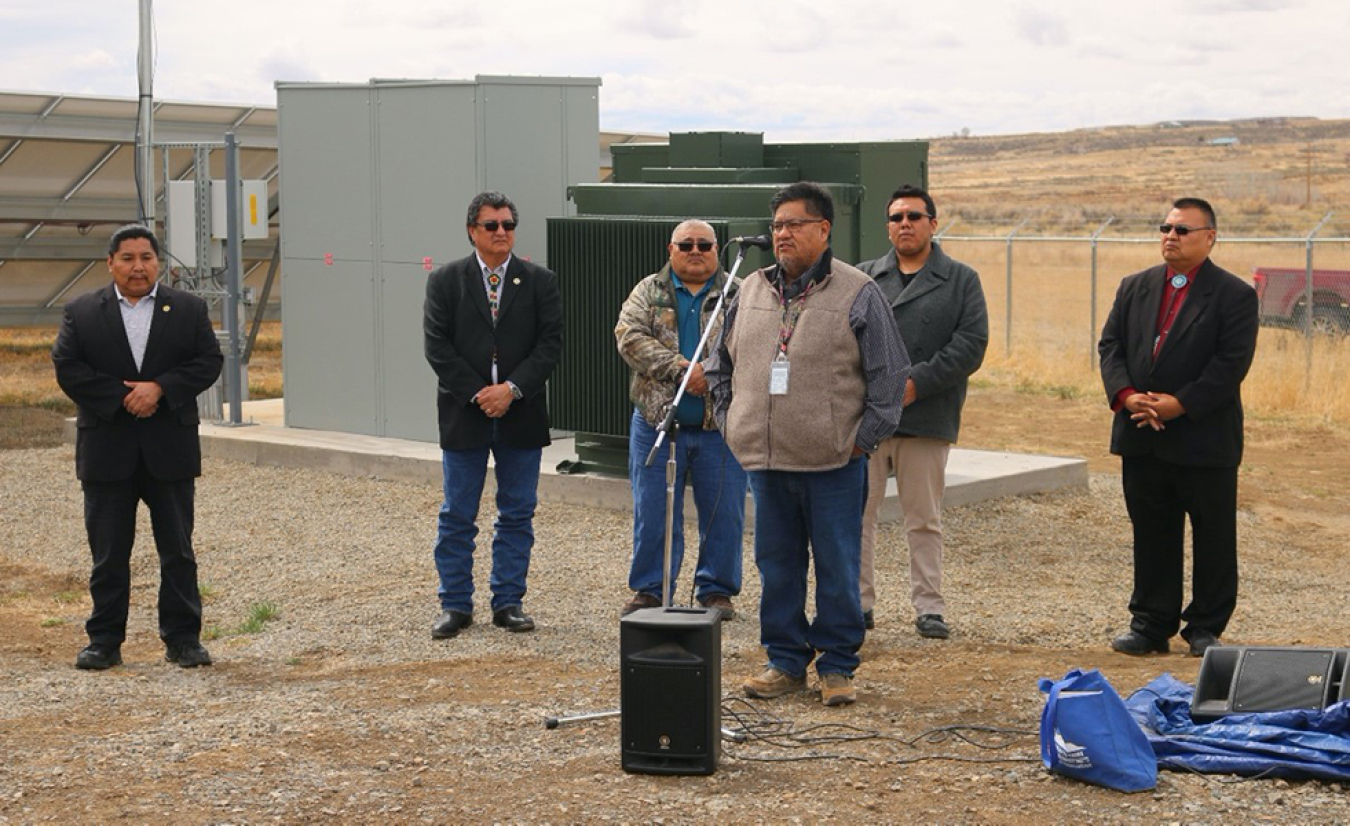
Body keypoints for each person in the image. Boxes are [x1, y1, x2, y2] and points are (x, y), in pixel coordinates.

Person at [707, 182, 909, 706]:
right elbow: (717, 366)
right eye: (776, 225)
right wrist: (733, 424)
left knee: (838, 566)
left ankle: (838, 666)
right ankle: (785, 661)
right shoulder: (748, 289)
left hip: (834, 463)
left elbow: (889, 379)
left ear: (824, 229)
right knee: (777, 566)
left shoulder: (859, 291)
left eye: (794, 224)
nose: (782, 234)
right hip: (766, 462)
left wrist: (858, 442)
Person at [52, 224, 224, 670]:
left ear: (158, 263)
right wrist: (124, 398)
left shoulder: (186, 309)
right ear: (110, 263)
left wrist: (161, 389)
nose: (137, 267)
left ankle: (183, 639)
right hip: (108, 450)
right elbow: (68, 368)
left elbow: (208, 361)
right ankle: (104, 641)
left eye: (145, 257)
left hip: (169, 447)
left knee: (178, 551)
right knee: (109, 555)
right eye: (127, 258)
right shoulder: (83, 311)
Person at [1098, 197, 1258, 658]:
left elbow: (1230, 364)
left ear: (1209, 237)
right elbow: (1110, 347)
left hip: (1203, 437)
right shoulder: (1135, 287)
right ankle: (1150, 623)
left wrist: (1179, 405)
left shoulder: (1234, 295)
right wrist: (1128, 397)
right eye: (1165, 227)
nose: (1170, 236)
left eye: (1182, 230)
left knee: (1213, 534)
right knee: (1152, 532)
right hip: (1142, 435)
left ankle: (1205, 626)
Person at [424, 191, 563, 639]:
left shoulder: (540, 282)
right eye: (492, 225)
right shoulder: (445, 281)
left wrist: (512, 390)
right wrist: (482, 394)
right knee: (457, 514)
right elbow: (438, 348)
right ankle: (455, 605)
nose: (501, 232)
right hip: (466, 413)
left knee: (518, 513)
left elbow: (550, 345)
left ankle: (508, 601)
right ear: (472, 231)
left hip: (521, 414)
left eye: (508, 224)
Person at [856, 185, 988, 640]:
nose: (905, 224)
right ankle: (858, 602)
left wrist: (915, 383)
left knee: (924, 518)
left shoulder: (961, 280)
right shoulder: (865, 277)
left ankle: (929, 607)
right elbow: (844, 338)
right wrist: (880, 388)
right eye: (896, 217)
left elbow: (971, 344)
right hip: (869, 417)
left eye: (914, 216)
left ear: (933, 222)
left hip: (926, 415)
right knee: (858, 515)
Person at [614, 220, 748, 620]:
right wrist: (680, 370)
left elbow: (755, 343)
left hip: (719, 428)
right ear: (670, 249)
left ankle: (716, 590)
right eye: (686, 244)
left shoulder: (738, 294)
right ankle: (652, 590)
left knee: (724, 512)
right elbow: (629, 336)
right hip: (657, 425)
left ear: (717, 249)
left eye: (704, 245)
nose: (695, 251)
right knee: (653, 512)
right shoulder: (647, 291)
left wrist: (712, 373)